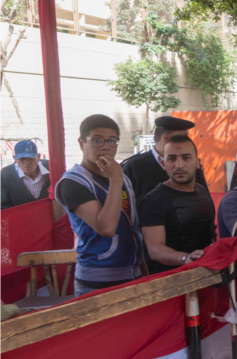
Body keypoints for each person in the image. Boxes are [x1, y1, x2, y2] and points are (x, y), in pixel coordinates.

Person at [54, 115, 144, 296]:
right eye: (97, 140)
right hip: (96, 280)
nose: (106, 147)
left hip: (133, 275)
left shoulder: (120, 177)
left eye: (112, 141)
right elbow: (106, 228)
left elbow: (133, 230)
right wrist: (115, 180)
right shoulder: (72, 182)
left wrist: (143, 273)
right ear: (81, 143)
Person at [138, 134, 216, 273]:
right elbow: (155, 250)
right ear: (163, 164)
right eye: (172, 158)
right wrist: (185, 258)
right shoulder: (153, 200)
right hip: (171, 283)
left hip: (207, 275)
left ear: (197, 162)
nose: (179, 165)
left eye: (186, 158)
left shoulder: (201, 190)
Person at [121, 115, 209, 202]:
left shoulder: (190, 165)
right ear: (166, 138)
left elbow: (206, 202)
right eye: (183, 137)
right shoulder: (134, 166)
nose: (179, 166)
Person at [0, 140, 50, 210]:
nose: (27, 162)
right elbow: (3, 207)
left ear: (38, 157)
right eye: (22, 159)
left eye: (30, 158)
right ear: (14, 158)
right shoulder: (5, 175)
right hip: (19, 219)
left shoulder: (51, 168)